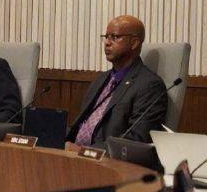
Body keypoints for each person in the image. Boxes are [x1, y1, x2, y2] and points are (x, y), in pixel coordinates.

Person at [66, 15, 167, 151]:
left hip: (105, 159)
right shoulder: (100, 80)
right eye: (106, 37)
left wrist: (83, 151)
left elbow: (136, 140)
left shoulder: (149, 86)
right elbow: (80, 126)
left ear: (134, 43)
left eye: (114, 37)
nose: (107, 43)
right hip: (72, 155)